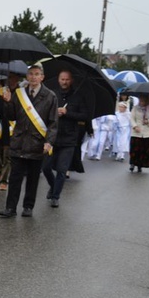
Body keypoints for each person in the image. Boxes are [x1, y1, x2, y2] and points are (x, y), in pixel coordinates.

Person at [0, 64, 57, 218]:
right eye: (30, 74)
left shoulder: (50, 96)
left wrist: (49, 141)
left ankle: (28, 206)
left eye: (37, 74)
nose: (33, 77)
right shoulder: (19, 94)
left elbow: (53, 123)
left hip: (37, 143)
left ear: (42, 77)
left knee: (32, 178)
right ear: (27, 76)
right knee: (15, 177)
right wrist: (7, 102)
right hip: (19, 142)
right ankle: (10, 208)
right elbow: (11, 116)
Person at [42, 70, 91, 208]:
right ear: (58, 80)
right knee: (45, 167)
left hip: (69, 138)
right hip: (53, 137)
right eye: (62, 79)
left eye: (67, 79)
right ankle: (53, 186)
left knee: (62, 169)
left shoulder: (78, 96)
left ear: (71, 80)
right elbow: (43, 112)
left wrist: (67, 113)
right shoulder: (52, 95)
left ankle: (56, 196)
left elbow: (84, 115)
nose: (64, 82)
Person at [129, 94, 149, 172]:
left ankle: (140, 165)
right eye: (140, 100)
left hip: (147, 133)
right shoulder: (135, 108)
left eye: (142, 101)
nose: (141, 102)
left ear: (146, 100)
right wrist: (135, 126)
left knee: (144, 150)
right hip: (136, 132)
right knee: (134, 149)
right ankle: (132, 163)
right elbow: (131, 118)